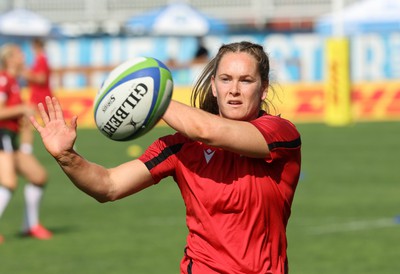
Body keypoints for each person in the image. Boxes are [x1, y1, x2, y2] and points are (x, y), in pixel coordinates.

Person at [31, 41, 301, 273]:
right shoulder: (180, 146)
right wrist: (66, 156)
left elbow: (208, 130)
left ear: (263, 89)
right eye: (226, 79)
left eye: (246, 80)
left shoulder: (279, 134)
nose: (234, 89)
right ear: (214, 86)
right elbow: (108, 185)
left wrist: (146, 93)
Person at [0, 43, 52, 244]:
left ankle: (30, 226)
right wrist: (23, 108)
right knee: (9, 182)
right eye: (20, 53)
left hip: (10, 138)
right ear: (10, 59)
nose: (24, 56)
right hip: (1, 135)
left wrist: (27, 146)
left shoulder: (14, 81)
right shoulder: (3, 79)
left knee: (38, 176)